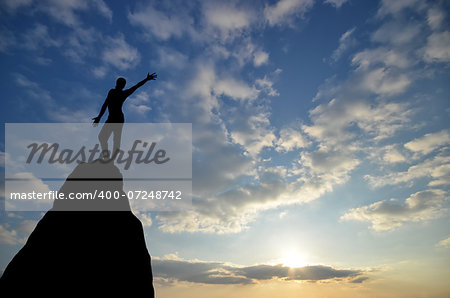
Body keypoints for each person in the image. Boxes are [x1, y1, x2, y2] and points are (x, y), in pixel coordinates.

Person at [93, 72, 157, 159]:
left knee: (116, 139)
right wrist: (99, 117)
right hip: (111, 118)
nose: (120, 85)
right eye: (119, 83)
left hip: (118, 119)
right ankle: (106, 158)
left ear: (123, 86)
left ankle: (111, 160)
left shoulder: (124, 93)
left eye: (122, 84)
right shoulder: (112, 92)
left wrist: (146, 79)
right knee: (102, 137)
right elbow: (105, 104)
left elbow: (137, 86)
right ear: (117, 83)